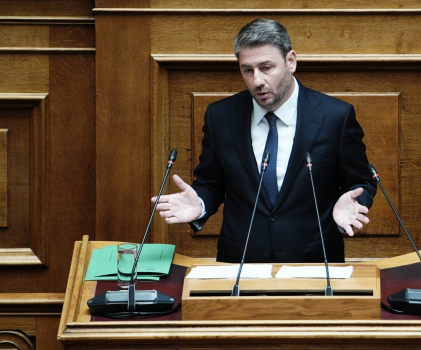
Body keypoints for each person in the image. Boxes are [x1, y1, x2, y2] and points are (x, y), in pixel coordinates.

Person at [154, 18, 376, 264]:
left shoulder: (335, 116)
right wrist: (200, 202)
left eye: (266, 68)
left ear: (290, 61)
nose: (257, 81)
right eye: (247, 70)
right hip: (239, 263)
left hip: (314, 262)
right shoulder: (221, 116)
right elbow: (211, 183)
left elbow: (361, 181)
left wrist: (354, 199)